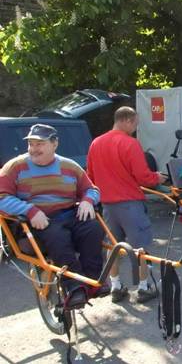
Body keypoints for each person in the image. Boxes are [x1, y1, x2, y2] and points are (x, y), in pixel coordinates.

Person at [0, 124, 104, 308]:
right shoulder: (15, 167)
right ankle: (75, 288)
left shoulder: (70, 166)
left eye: (40, 143)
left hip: (69, 214)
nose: (33, 148)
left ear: (55, 144)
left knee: (93, 229)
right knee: (58, 237)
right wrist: (30, 210)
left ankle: (93, 281)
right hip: (38, 221)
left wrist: (88, 200)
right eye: (31, 144)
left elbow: (92, 189)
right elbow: (1, 197)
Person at [87, 107, 167, 303]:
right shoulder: (130, 143)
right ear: (128, 120)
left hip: (107, 204)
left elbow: (90, 177)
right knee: (140, 246)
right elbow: (142, 176)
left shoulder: (95, 143)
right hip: (130, 204)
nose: (135, 128)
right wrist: (157, 177)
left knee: (114, 246)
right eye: (135, 124)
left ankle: (115, 285)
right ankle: (143, 287)